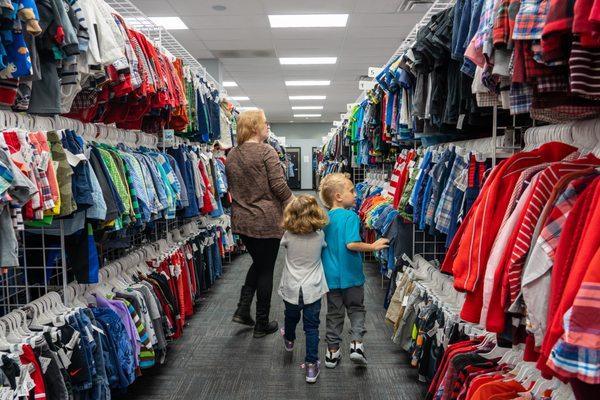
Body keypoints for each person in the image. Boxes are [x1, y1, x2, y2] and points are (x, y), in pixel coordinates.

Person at [225, 109, 293, 338]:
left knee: (258, 262)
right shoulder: (267, 151)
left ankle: (243, 309)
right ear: (255, 127)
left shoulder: (232, 154)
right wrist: (294, 203)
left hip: (242, 220)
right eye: (265, 122)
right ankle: (261, 323)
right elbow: (279, 186)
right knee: (266, 269)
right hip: (265, 219)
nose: (268, 126)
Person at [318, 173, 389, 368]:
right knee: (356, 309)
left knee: (334, 313)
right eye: (351, 191)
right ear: (338, 196)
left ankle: (332, 352)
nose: (356, 195)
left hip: (331, 277)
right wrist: (373, 246)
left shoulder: (324, 219)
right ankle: (357, 344)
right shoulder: (350, 216)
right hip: (352, 275)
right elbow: (352, 244)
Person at [277, 195, 329, 384]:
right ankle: (311, 366)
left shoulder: (288, 235)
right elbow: (323, 248)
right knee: (312, 327)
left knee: (290, 317)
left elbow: (284, 246)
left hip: (291, 286)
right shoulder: (320, 235)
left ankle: (289, 340)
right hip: (312, 288)